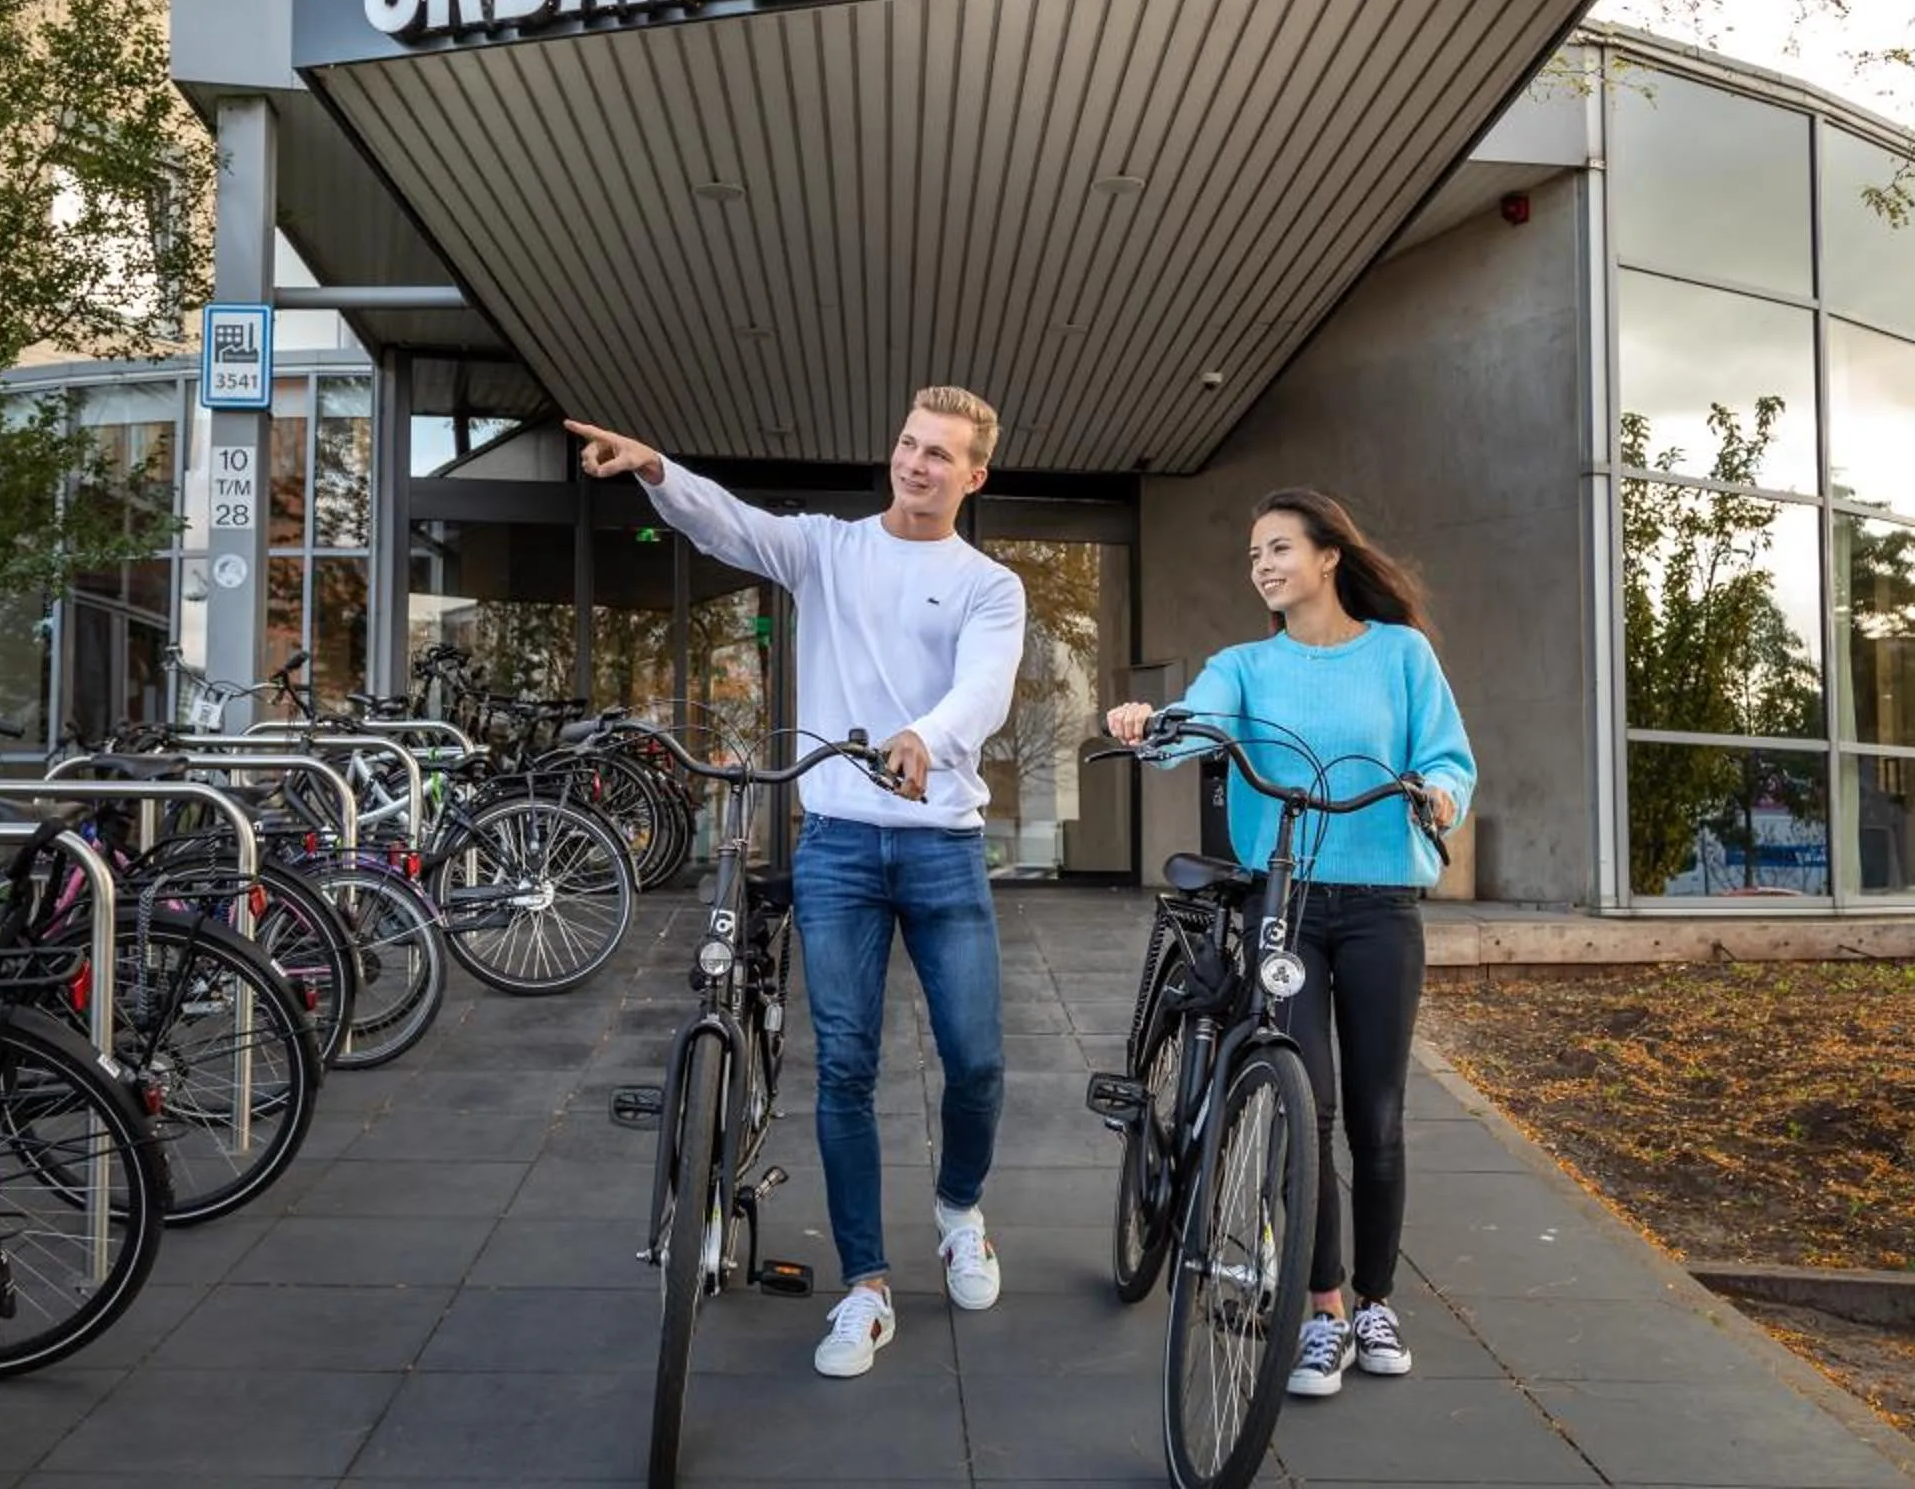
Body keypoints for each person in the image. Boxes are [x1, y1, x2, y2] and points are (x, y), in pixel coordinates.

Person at [565, 389, 1027, 1380]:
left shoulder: (991, 585)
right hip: (841, 847)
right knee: (847, 1063)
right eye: (908, 443)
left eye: (940, 454)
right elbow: (734, 524)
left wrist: (926, 737)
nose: (915, 462)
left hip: (943, 844)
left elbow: (982, 688)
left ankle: (958, 1212)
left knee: (977, 1060)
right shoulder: (829, 547)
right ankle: (865, 1283)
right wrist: (657, 466)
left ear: (973, 476)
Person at [1106, 486, 1475, 1400]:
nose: (1263, 565)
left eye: (1278, 548)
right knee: (1301, 1103)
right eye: (1253, 555)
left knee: (1377, 1117)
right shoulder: (1243, 666)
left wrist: (1436, 792)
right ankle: (1325, 1310)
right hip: (1289, 908)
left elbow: (1448, 756)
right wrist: (1146, 726)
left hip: (1384, 903)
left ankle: (1379, 1301)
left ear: (1327, 558)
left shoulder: (1402, 655)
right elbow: (1195, 721)